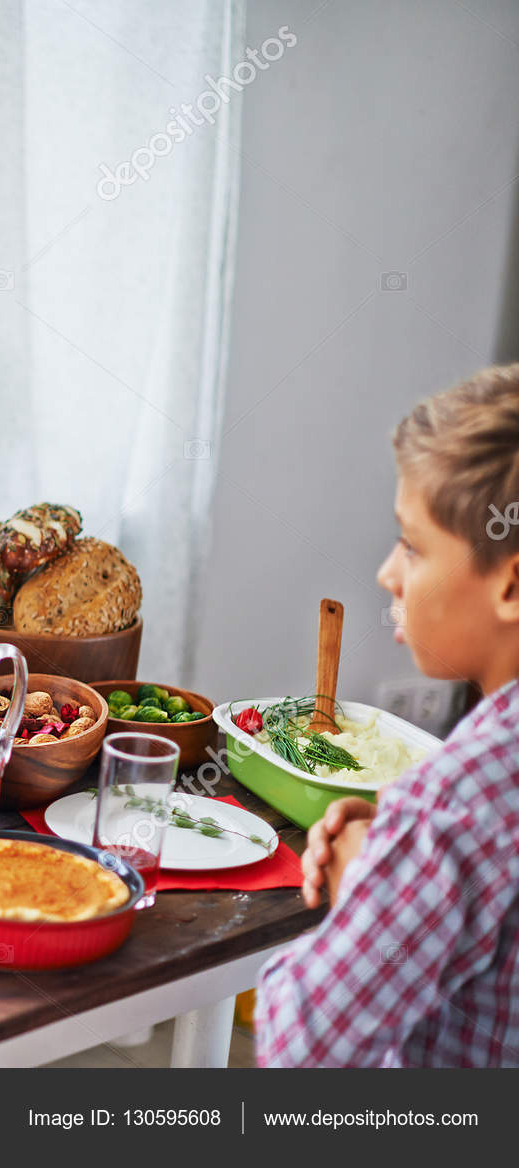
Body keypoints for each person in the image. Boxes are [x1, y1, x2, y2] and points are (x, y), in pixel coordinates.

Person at [256, 364, 519, 1067]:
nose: (387, 573)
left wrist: (367, 893)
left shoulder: (451, 806)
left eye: (412, 545)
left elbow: (303, 1050)